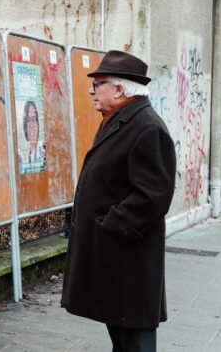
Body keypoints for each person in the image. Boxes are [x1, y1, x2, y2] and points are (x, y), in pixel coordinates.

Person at [61, 50, 176, 352]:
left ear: (120, 89)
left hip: (130, 258)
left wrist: (111, 224)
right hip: (118, 257)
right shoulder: (122, 118)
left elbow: (153, 195)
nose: (91, 90)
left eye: (98, 84)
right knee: (123, 335)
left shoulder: (147, 127)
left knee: (135, 338)